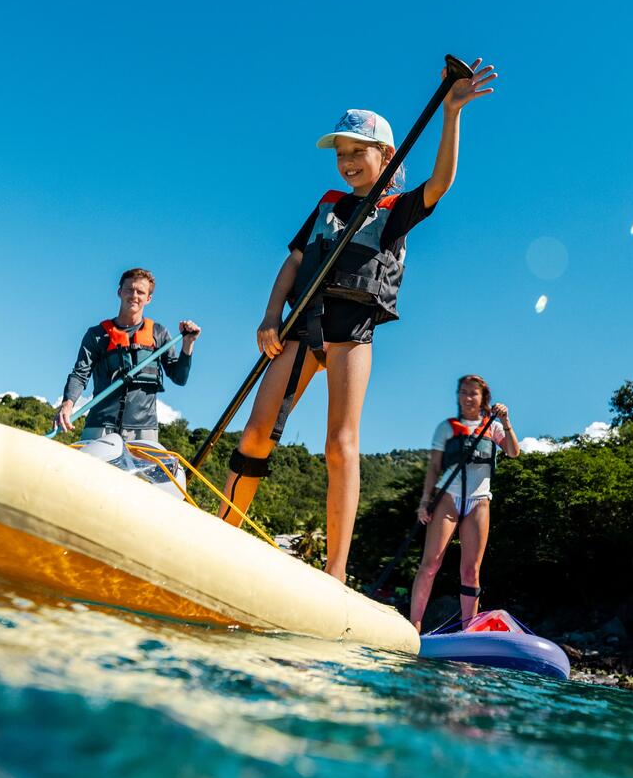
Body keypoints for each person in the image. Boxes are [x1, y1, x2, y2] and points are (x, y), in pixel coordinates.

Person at [218, 59, 498, 580]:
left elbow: (441, 182)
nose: (346, 162)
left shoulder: (398, 207)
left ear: (386, 155)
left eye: (357, 152)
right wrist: (270, 315)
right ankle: (221, 533)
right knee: (257, 433)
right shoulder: (328, 205)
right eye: (341, 154)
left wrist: (452, 113)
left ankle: (336, 572)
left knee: (340, 445)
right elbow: (297, 260)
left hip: (353, 334)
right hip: (302, 326)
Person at [56, 268, 200, 479]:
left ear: (149, 298)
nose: (134, 296)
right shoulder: (97, 335)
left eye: (140, 292)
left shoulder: (159, 333)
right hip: (100, 426)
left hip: (143, 430)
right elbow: (80, 373)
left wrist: (188, 344)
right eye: (129, 290)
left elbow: (179, 378)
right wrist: (68, 404)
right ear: (119, 292)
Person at [408, 375, 519, 630]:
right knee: (431, 563)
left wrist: (506, 421)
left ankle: (468, 630)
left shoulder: (493, 427)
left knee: (471, 571)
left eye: (473, 393)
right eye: (463, 392)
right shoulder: (447, 428)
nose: (468, 397)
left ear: (483, 399)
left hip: (479, 501)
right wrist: (425, 501)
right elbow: (435, 466)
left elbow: (513, 452)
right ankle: (413, 626)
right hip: (449, 499)